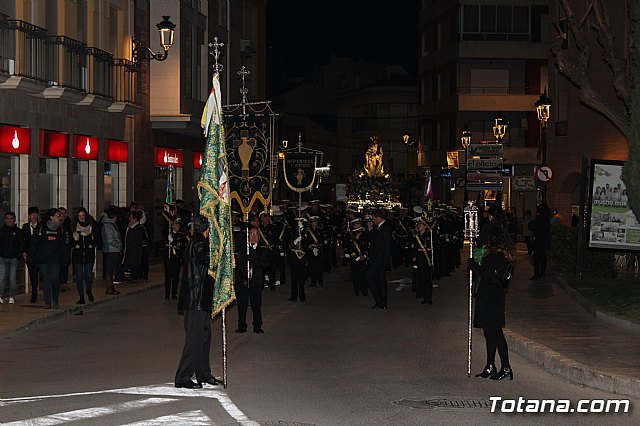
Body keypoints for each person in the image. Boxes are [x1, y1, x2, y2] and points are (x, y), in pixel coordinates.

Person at [174, 215, 221, 389]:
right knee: (194, 339)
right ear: (208, 229)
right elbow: (205, 258)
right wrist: (219, 253)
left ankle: (203, 373)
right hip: (196, 300)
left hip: (201, 299)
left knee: (204, 337)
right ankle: (182, 377)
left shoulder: (197, 241)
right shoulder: (199, 243)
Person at [468, 226, 514, 381]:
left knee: (496, 334)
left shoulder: (498, 257)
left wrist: (473, 265)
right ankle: (490, 365)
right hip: (489, 297)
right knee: (489, 334)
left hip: (492, 299)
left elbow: (488, 275)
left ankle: (506, 367)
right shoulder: (496, 254)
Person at [234, 226, 270, 333]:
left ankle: (257, 326)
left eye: (256, 234)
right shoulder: (243, 248)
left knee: (256, 305)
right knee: (242, 305)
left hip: (256, 282)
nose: (253, 237)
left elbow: (266, 264)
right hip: (242, 281)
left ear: (259, 237)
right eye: (251, 234)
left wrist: (254, 259)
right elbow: (239, 263)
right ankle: (242, 326)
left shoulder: (262, 250)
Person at [29, 209, 66, 309]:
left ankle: (55, 300)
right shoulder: (41, 227)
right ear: (51, 217)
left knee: (54, 279)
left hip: (55, 259)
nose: (59, 217)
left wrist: (65, 258)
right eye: (57, 215)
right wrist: (31, 256)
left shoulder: (61, 228)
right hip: (43, 259)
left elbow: (63, 244)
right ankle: (47, 302)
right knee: (46, 280)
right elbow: (34, 242)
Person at [366, 209, 392, 309]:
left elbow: (387, 245)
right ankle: (381, 302)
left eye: (373, 218)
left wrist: (386, 261)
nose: (373, 220)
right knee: (379, 281)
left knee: (371, 278)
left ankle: (381, 301)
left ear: (378, 218)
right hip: (376, 259)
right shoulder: (379, 228)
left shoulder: (385, 228)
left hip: (379, 260)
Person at [71, 208, 97, 304]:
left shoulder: (92, 226)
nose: (81, 218)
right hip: (78, 255)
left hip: (89, 254)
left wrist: (92, 244)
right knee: (79, 277)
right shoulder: (74, 226)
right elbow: (70, 238)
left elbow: (97, 237)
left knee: (88, 275)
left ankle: (88, 290)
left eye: (82, 215)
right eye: (79, 216)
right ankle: (81, 296)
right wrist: (74, 244)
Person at [0, 212, 22, 305]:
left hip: (13, 258)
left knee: (12, 278)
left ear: (14, 219)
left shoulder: (18, 231)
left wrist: (17, 256)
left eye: (11, 218)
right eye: (8, 218)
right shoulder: (1, 231)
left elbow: (21, 245)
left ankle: (11, 297)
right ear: (5, 219)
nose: (9, 220)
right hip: (2, 258)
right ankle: (0, 295)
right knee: (2, 278)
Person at [410, 217, 433, 305]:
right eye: (418, 225)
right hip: (420, 260)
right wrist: (414, 261)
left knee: (428, 280)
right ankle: (424, 296)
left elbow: (432, 248)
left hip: (427, 260)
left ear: (425, 226)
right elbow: (414, 250)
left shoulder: (428, 236)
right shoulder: (416, 237)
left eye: (421, 225)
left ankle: (429, 298)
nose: (419, 226)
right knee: (421, 279)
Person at [101, 206, 122, 295]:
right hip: (111, 250)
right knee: (109, 271)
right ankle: (110, 288)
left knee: (110, 270)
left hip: (112, 250)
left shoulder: (110, 225)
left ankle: (111, 288)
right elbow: (110, 240)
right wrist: (119, 244)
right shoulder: (109, 226)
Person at [164, 218, 187, 300]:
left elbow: (180, 246)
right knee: (168, 276)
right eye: (176, 224)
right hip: (168, 258)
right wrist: (168, 239)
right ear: (172, 226)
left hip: (176, 258)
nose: (178, 226)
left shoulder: (181, 236)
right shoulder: (167, 234)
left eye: (178, 224)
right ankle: (167, 293)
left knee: (175, 276)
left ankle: (174, 293)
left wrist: (173, 241)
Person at [22, 207, 40, 303]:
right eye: (32, 214)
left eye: (35, 214)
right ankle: (34, 292)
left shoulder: (41, 226)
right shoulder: (25, 227)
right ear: (29, 216)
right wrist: (24, 252)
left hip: (39, 254)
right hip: (29, 254)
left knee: (37, 273)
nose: (34, 216)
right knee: (32, 273)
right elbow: (23, 240)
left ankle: (35, 292)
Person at [122, 210, 147, 282]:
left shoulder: (138, 228)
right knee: (130, 265)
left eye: (130, 217)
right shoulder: (131, 227)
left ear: (135, 219)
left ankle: (135, 278)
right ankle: (132, 277)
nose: (129, 219)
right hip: (129, 250)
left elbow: (137, 242)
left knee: (134, 265)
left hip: (134, 252)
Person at [530, 204, 551, 280]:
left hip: (538, 241)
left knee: (537, 259)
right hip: (543, 242)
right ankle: (541, 273)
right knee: (542, 258)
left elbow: (535, 227)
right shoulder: (546, 219)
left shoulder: (540, 219)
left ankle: (537, 274)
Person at [58, 207, 72, 293]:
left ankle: (64, 283)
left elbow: (70, 234)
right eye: (61, 213)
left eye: (64, 213)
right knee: (59, 266)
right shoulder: (56, 224)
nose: (63, 215)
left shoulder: (68, 223)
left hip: (66, 248)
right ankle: (59, 284)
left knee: (65, 265)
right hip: (59, 249)